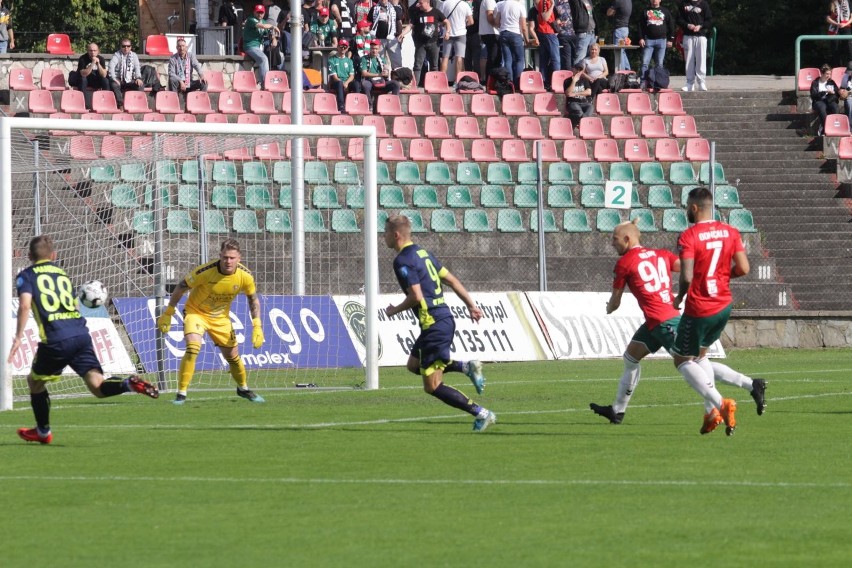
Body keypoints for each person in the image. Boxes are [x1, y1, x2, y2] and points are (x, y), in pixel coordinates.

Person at [589, 220, 767, 426]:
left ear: (627, 239)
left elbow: (616, 301)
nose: (612, 244)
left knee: (692, 362)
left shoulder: (625, 263)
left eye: (615, 239)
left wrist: (609, 307)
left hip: (664, 322)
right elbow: (686, 268)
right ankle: (617, 411)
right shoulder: (661, 255)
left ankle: (735, 395)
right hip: (656, 321)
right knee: (631, 358)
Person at [8, 236, 159, 444]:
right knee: (98, 387)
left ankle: (43, 432)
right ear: (54, 255)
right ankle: (129, 385)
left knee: (34, 383)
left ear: (29, 256)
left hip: (56, 339)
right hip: (80, 334)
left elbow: (24, 306)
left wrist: (17, 337)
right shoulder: (62, 274)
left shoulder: (26, 276)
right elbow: (76, 306)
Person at [383, 214, 495, 432]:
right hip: (441, 319)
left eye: (385, 232)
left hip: (433, 324)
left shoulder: (402, 260)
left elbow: (416, 296)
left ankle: (482, 413)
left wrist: (393, 310)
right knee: (414, 366)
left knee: (432, 386)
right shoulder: (423, 253)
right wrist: (471, 305)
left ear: (396, 235)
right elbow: (451, 280)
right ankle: (466, 366)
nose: (383, 237)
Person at [671, 186, 750, 436]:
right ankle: (711, 413)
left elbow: (686, 275)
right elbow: (744, 268)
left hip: (700, 306)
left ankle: (720, 404)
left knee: (681, 359)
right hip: (723, 305)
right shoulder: (731, 232)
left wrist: (680, 296)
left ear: (694, 208)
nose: (686, 210)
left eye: (687, 206)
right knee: (700, 356)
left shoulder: (689, 236)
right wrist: (724, 277)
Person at [156, 239, 266, 405]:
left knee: (233, 357)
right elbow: (181, 286)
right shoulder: (205, 271)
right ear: (220, 256)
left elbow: (253, 299)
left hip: (221, 319)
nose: (228, 261)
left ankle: (243, 388)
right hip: (196, 313)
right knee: (193, 348)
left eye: (231, 258)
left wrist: (257, 326)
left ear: (239, 258)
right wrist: (169, 312)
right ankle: (181, 394)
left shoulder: (245, 276)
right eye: (224, 257)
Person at [408, 0, 448, 87]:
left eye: (421, 3)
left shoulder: (436, 12)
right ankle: (414, 86)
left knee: (434, 66)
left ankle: (434, 86)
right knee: (417, 66)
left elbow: (446, 22)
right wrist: (403, 33)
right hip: (420, 44)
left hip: (433, 43)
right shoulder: (417, 13)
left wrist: (447, 32)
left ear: (427, 2)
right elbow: (410, 25)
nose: (419, 5)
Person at [677, 0, 711, 92]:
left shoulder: (704, 4)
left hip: (701, 36)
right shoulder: (683, 3)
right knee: (689, 60)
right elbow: (679, 19)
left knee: (701, 59)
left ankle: (701, 82)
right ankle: (689, 83)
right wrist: (687, 25)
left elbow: (709, 20)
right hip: (688, 36)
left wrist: (700, 26)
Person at [495, 0, 530, 90]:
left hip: (503, 33)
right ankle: (517, 83)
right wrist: (526, 40)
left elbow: (497, 22)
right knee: (519, 59)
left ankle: (509, 83)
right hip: (515, 34)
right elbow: (523, 26)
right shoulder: (520, 6)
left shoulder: (501, 5)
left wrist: (503, 26)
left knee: (507, 60)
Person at [638, 0, 675, 83]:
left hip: (662, 40)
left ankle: (659, 83)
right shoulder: (645, 11)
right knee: (645, 63)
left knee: (660, 64)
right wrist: (641, 38)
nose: (655, 0)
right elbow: (640, 26)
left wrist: (671, 39)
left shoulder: (665, 11)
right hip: (648, 40)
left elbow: (671, 25)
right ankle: (643, 82)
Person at [356, 39, 401, 107]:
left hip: (381, 81)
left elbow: (386, 72)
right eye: (372, 48)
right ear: (370, 49)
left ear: (379, 49)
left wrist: (386, 73)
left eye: (376, 49)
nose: (374, 51)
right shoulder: (364, 58)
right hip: (370, 81)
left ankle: (393, 105)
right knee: (365, 84)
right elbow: (364, 73)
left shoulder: (382, 59)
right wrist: (378, 74)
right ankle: (370, 106)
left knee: (396, 84)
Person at [244, 4, 277, 87]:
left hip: (259, 47)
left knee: (278, 54)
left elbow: (269, 33)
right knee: (263, 59)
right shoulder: (251, 19)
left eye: (261, 13)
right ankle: (265, 84)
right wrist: (273, 26)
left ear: (264, 13)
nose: (260, 14)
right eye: (258, 12)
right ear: (254, 12)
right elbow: (262, 26)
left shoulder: (264, 21)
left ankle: (276, 78)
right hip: (250, 46)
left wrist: (274, 39)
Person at [71, 43, 110, 111]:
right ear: (88, 51)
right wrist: (92, 63)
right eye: (91, 50)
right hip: (85, 80)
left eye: (94, 50)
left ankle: (106, 103)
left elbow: (104, 74)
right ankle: (85, 105)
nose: (92, 52)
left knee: (105, 81)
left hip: (96, 80)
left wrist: (98, 64)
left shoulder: (101, 59)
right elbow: (83, 74)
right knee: (83, 80)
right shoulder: (83, 58)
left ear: (98, 51)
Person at [439, 0, 474, 75]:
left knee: (445, 57)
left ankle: (443, 79)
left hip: (447, 33)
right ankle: (457, 80)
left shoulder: (445, 3)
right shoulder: (465, 4)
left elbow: (440, 18)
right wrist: (463, 25)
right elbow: (471, 22)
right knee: (459, 57)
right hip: (461, 33)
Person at [108, 39, 143, 110]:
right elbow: (111, 67)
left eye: (128, 46)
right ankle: (120, 104)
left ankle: (137, 104)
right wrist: (114, 78)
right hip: (118, 79)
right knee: (114, 85)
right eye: (124, 46)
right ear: (121, 47)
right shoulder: (117, 55)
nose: (126, 48)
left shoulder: (134, 55)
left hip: (130, 79)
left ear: (131, 47)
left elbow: (137, 68)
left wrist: (138, 78)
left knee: (140, 84)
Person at [535, 0, 561, 90]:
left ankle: (544, 82)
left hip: (544, 32)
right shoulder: (546, 2)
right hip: (547, 31)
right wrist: (552, 5)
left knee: (544, 60)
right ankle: (557, 83)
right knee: (555, 59)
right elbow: (545, 17)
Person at [811, 63, 840, 136]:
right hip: (819, 101)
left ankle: (834, 128)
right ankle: (825, 128)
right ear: (822, 73)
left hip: (829, 100)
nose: (828, 76)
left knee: (835, 107)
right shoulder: (815, 82)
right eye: (827, 74)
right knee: (822, 107)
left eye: (830, 74)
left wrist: (833, 93)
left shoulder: (831, 82)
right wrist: (824, 92)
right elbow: (814, 95)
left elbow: (837, 94)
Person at [328, 38, 355, 112]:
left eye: (345, 47)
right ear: (337, 47)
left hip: (347, 81)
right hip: (337, 82)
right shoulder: (332, 60)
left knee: (356, 84)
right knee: (339, 83)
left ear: (347, 48)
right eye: (341, 46)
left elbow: (352, 76)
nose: (343, 48)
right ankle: (341, 106)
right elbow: (334, 77)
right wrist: (343, 84)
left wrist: (346, 83)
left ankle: (355, 105)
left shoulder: (349, 61)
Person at [479, 0, 502, 82]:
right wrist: (499, 26)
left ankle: (491, 80)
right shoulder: (489, 1)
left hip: (489, 32)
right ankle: (490, 80)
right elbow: (490, 16)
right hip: (490, 32)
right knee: (493, 58)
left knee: (494, 57)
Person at [564, 62, 592, 127]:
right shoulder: (567, 81)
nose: (578, 71)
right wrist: (574, 81)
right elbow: (568, 93)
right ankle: (583, 123)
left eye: (580, 70)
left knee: (590, 106)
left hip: (584, 102)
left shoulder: (584, 80)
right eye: (576, 69)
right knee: (579, 112)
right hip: (572, 102)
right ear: (572, 69)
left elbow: (589, 92)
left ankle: (581, 122)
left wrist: (575, 94)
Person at [607, 0, 632, 71]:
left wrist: (613, 11)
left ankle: (622, 74)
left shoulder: (618, 1)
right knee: (622, 51)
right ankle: (628, 72)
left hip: (619, 29)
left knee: (619, 52)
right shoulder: (629, 1)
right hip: (625, 28)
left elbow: (608, 13)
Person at [569, 0, 595, 65]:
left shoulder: (589, 1)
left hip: (592, 33)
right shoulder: (576, 2)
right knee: (580, 59)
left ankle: (589, 75)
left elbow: (592, 15)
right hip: (583, 33)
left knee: (592, 59)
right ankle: (577, 75)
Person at [553, 0, 575, 74]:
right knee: (566, 60)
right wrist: (557, 22)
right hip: (563, 34)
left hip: (577, 33)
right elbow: (552, 18)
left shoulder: (574, 2)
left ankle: (577, 81)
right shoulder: (555, 2)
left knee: (577, 59)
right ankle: (568, 80)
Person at [828, 0, 852, 66]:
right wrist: (836, 24)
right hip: (834, 28)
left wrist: (845, 24)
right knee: (835, 48)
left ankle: (850, 65)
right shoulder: (832, 3)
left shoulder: (849, 2)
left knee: (849, 46)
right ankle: (836, 67)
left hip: (846, 26)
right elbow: (827, 18)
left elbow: (851, 17)